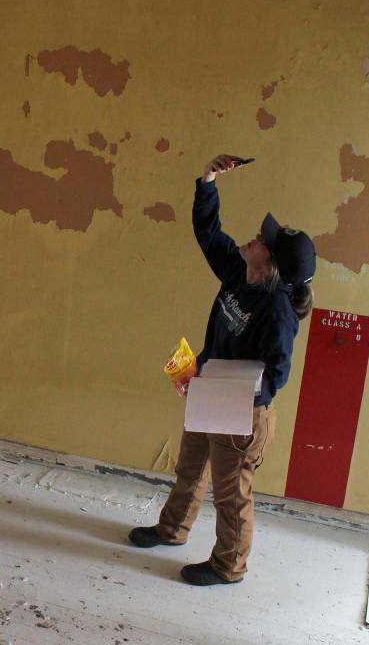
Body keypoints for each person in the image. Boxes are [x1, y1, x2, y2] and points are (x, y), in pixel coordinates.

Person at [129, 154, 316, 587]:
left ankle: (228, 566)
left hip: (244, 415)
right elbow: (208, 232)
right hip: (213, 394)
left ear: (270, 265)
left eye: (262, 240)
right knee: (191, 466)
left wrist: (229, 394)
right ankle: (172, 530)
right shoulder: (239, 271)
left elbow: (277, 376)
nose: (254, 237)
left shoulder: (277, 311)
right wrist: (208, 179)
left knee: (232, 496)